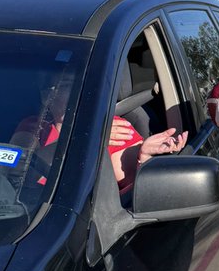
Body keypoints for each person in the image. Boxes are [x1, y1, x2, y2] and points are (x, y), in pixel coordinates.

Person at [11, 81, 187, 194]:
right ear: (44, 97)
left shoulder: (114, 129)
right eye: (50, 86)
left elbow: (131, 200)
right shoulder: (35, 126)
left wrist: (144, 158)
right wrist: (85, 138)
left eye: (66, 84)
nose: (54, 92)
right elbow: (14, 175)